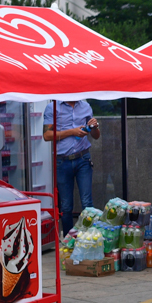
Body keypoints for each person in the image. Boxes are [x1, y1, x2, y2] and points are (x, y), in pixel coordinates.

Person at [43, 100, 100, 235]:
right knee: (66, 206)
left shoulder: (85, 105)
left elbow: (96, 136)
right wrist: (72, 132)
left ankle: (89, 238)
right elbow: (47, 135)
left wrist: (94, 127)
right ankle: (70, 240)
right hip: (62, 160)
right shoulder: (53, 107)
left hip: (83, 158)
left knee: (87, 202)